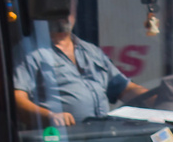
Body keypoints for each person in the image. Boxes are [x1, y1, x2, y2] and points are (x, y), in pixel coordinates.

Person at [12, 12, 150, 126]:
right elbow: (16, 99)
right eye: (60, 6)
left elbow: (125, 89)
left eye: (69, 6)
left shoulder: (91, 51)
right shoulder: (28, 51)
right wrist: (50, 117)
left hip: (101, 140)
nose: (64, 13)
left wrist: (161, 98)